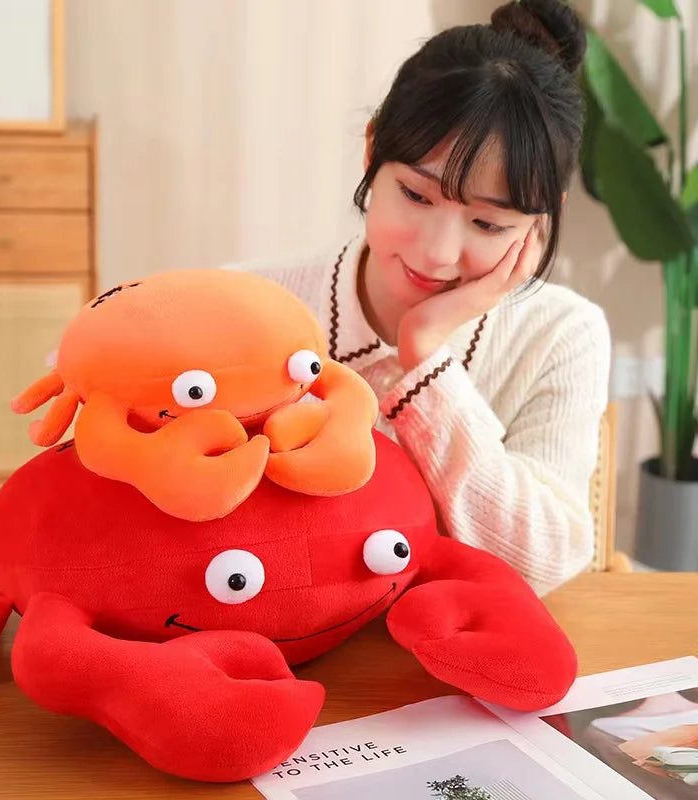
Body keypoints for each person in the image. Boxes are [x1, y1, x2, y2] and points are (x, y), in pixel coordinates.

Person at [224, 0, 611, 596]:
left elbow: (542, 561)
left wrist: (425, 357)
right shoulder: (248, 303)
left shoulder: (562, 334)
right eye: (416, 195)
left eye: (488, 224)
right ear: (373, 149)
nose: (435, 254)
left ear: (542, 219)